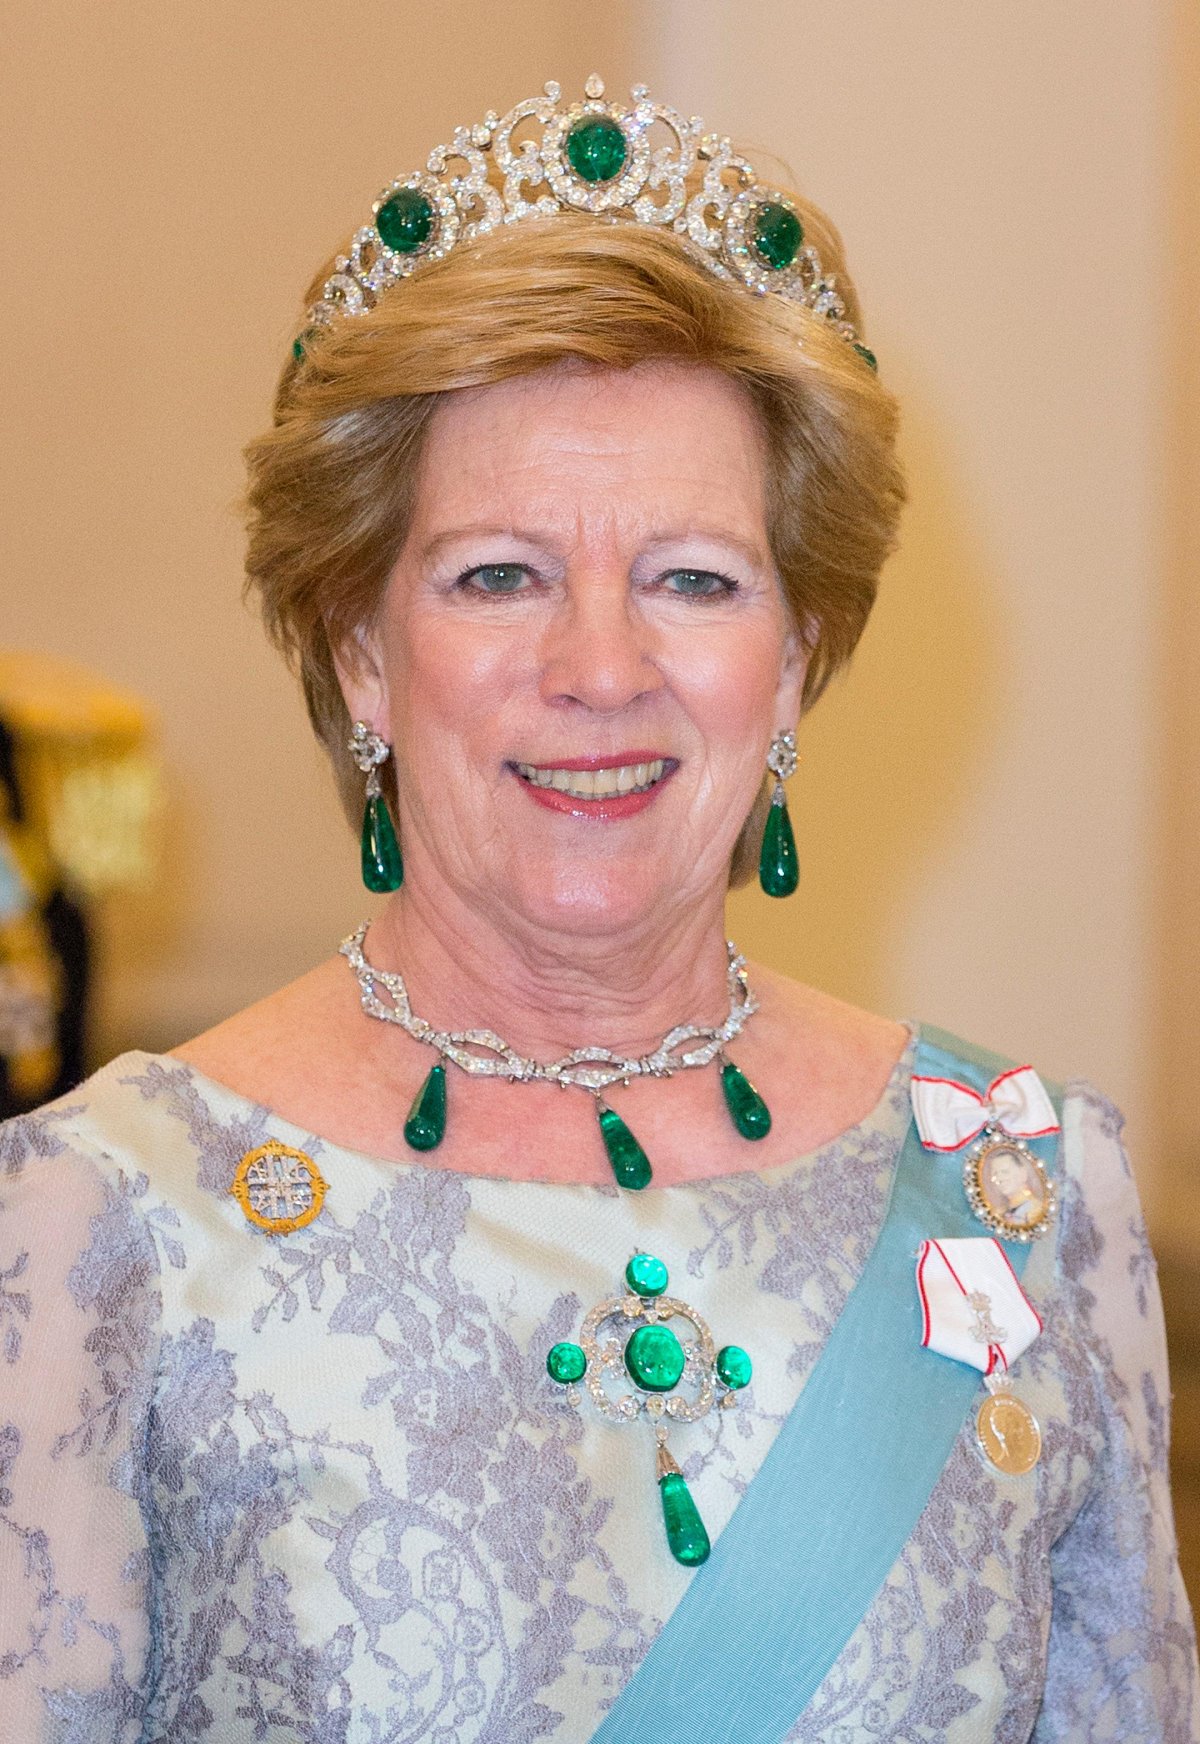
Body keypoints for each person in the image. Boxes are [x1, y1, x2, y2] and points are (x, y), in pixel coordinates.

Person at [0, 75, 1195, 1743]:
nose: (601, 671)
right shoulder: (99, 1226)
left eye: (693, 581)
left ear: (795, 656)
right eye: (499, 574)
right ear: (361, 649)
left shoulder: (1020, 1193)